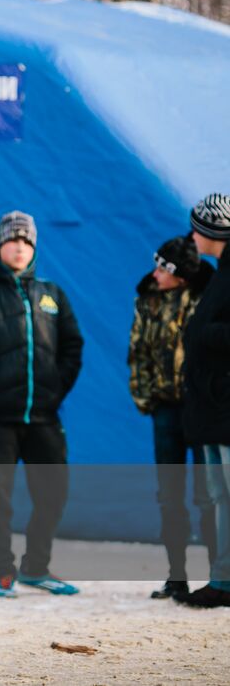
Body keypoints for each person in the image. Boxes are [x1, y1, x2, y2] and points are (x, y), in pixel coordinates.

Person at [0, 210, 84, 598]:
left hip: (44, 415)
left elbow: (72, 346)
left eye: (26, 242)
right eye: (12, 240)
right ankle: (2, 572)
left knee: (53, 492)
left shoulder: (51, 294)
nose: (19, 248)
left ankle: (36, 568)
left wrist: (55, 388)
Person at [128, 235, 217, 599]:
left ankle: (219, 575)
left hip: (200, 411)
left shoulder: (207, 298)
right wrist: (146, 398)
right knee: (170, 496)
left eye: (163, 267)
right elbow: (138, 352)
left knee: (209, 495)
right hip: (165, 411)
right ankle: (176, 576)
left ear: (180, 276)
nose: (155, 272)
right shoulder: (148, 298)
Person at [177, 194, 230, 608]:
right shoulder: (220, 274)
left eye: (197, 228)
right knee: (221, 496)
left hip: (225, 403)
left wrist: (201, 335)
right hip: (213, 406)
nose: (192, 235)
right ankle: (223, 580)